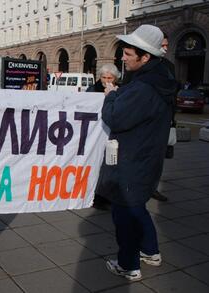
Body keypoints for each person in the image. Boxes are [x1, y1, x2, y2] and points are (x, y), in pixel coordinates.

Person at [96, 25, 177, 281]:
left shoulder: (143, 87)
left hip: (130, 164)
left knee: (125, 217)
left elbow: (116, 118)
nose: (123, 57)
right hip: (145, 160)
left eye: (128, 53)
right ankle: (150, 251)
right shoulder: (157, 79)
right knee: (137, 209)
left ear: (145, 57)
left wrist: (110, 96)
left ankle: (128, 265)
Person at [87, 63, 121, 210]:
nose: (107, 80)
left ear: (115, 78)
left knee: (110, 165)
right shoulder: (92, 89)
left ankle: (107, 195)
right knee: (96, 164)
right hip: (95, 132)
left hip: (112, 132)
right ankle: (97, 197)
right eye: (104, 77)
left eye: (110, 77)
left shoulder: (120, 90)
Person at [151, 32, 177, 202]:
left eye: (167, 45)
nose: (166, 48)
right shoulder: (145, 64)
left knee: (159, 158)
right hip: (147, 119)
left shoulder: (169, 66)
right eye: (163, 45)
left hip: (164, 119)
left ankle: (153, 187)